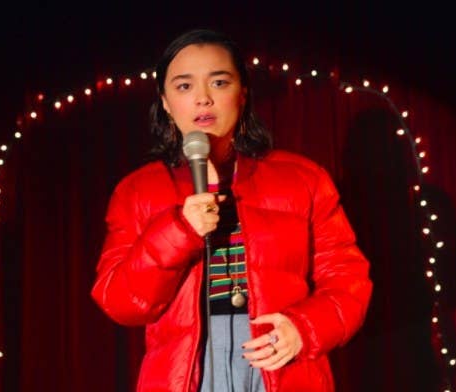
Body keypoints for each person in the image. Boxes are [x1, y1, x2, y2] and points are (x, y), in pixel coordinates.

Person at [91, 29, 372, 392]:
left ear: (243, 92)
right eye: (184, 87)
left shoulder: (303, 178)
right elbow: (119, 301)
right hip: (186, 371)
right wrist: (179, 230)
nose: (203, 99)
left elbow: (348, 280)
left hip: (279, 362)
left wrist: (303, 328)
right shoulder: (138, 190)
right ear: (164, 101)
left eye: (219, 82)